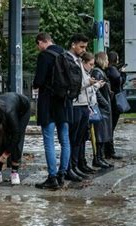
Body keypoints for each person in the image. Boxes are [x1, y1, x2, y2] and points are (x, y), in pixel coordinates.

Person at [33, 33, 79, 190]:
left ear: (42, 42)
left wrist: (37, 84)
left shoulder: (45, 56)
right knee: (65, 139)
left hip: (48, 102)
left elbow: (38, 81)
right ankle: (62, 174)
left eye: (38, 45)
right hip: (65, 103)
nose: (39, 48)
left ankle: (52, 177)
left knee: (48, 140)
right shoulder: (66, 55)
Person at [66, 33, 94, 179]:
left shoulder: (77, 60)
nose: (83, 49)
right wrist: (88, 83)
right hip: (76, 103)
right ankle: (71, 166)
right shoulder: (69, 60)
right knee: (74, 137)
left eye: (85, 47)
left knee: (79, 138)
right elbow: (74, 83)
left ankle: (76, 165)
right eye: (81, 46)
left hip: (83, 103)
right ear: (73, 45)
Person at [79, 52, 102, 174]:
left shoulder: (87, 73)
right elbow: (82, 88)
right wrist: (93, 84)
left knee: (83, 136)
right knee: (80, 138)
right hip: (81, 106)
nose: (92, 67)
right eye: (90, 64)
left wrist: (96, 85)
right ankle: (79, 163)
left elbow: (89, 90)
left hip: (87, 106)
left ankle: (82, 162)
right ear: (84, 63)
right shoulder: (81, 73)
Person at [91, 52, 114, 169]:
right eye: (107, 60)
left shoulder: (99, 71)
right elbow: (96, 90)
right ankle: (98, 158)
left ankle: (100, 157)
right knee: (100, 133)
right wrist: (105, 103)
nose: (108, 62)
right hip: (101, 108)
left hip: (104, 107)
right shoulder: (97, 72)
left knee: (103, 133)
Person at [105, 51, 125, 159]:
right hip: (114, 102)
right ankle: (109, 151)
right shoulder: (114, 71)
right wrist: (123, 73)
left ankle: (107, 150)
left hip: (111, 101)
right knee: (111, 127)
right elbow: (119, 82)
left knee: (109, 127)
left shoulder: (107, 70)